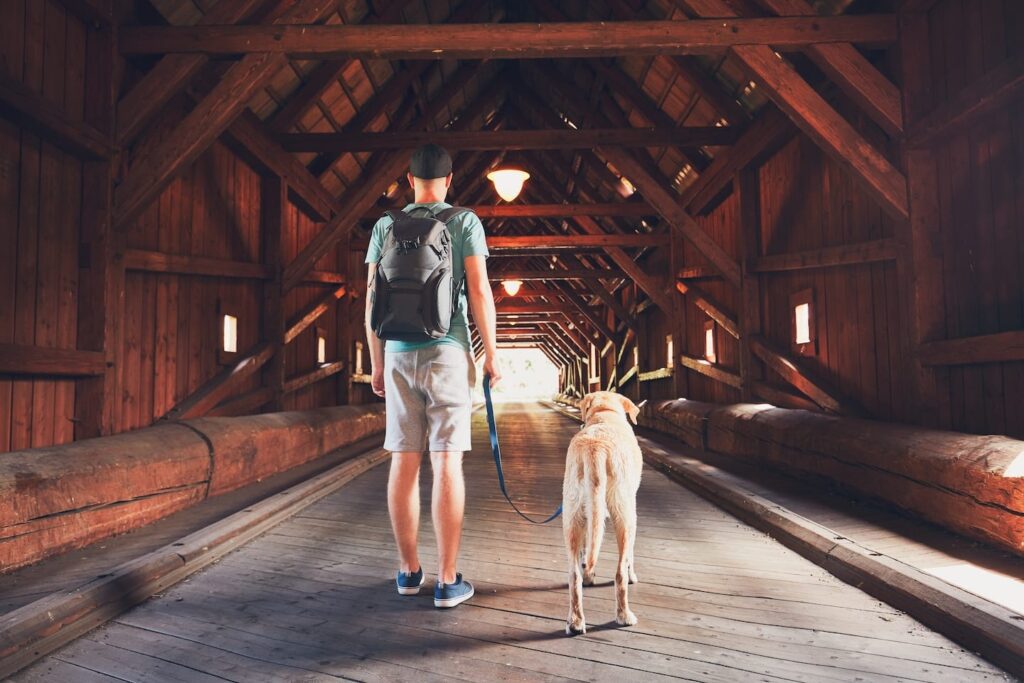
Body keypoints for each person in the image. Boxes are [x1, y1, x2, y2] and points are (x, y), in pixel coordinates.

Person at [364, 143, 501, 609]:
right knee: (446, 462)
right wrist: (492, 354)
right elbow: (479, 290)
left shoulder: (385, 225)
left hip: (398, 352)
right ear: (449, 180)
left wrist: (377, 361)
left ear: (409, 181)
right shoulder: (463, 222)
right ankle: (446, 580)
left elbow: (371, 301)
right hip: (447, 351)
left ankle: (407, 573)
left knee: (404, 460)